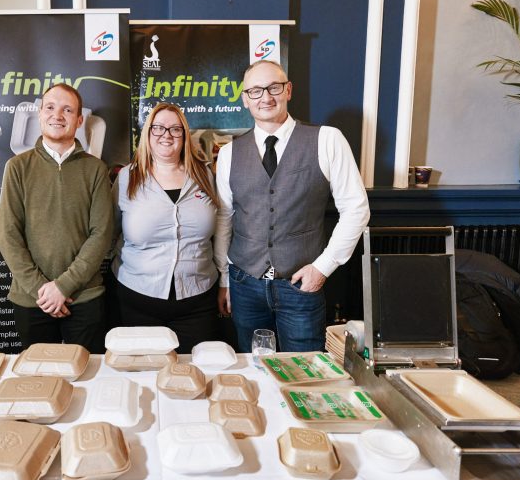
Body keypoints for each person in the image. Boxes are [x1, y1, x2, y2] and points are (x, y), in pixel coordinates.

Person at [215, 60, 370, 353]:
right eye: (256, 90)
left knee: (304, 371)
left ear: (288, 90)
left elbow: (357, 208)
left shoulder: (327, 139)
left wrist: (322, 268)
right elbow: (225, 218)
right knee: (252, 367)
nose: (266, 97)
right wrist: (225, 278)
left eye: (274, 87)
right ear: (245, 99)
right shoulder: (229, 153)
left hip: (301, 284)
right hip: (244, 283)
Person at [0, 83, 113, 353]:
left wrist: (63, 286)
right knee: (40, 381)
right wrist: (44, 291)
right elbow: (9, 237)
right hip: (32, 299)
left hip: (84, 297)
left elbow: (101, 234)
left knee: (89, 377)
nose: (57, 115)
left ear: (79, 119)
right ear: (39, 114)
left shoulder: (95, 169)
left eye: (67, 109)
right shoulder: (17, 167)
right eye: (50, 107)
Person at [112, 102, 223, 353]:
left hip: (197, 301)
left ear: (184, 136)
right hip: (138, 300)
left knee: (195, 376)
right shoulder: (127, 178)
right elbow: (109, 232)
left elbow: (222, 230)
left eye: (175, 129)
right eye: (158, 128)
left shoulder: (206, 175)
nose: (167, 135)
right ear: (148, 134)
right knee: (145, 375)